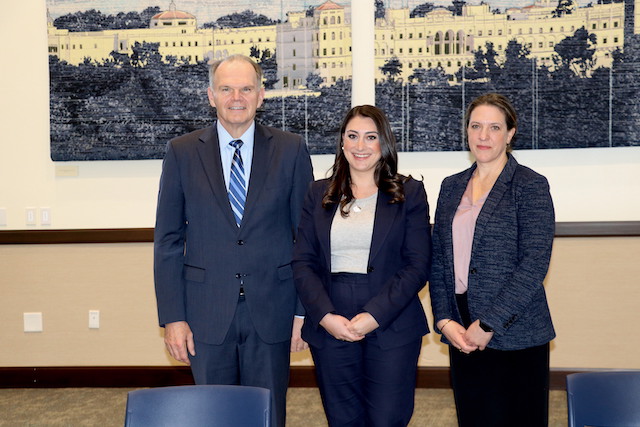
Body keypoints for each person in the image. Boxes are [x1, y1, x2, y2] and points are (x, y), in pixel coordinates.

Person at [153, 54, 313, 427]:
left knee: (268, 416)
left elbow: (305, 239)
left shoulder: (291, 150)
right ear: (211, 95)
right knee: (212, 416)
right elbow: (168, 241)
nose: (236, 97)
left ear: (261, 96)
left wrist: (303, 312)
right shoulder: (181, 152)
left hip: (273, 311)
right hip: (205, 314)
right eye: (226, 89)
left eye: (246, 88)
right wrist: (173, 318)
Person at [292, 105, 432, 427]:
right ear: (342, 142)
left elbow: (417, 265)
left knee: (387, 418)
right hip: (331, 321)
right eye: (352, 136)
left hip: (391, 319)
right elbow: (303, 262)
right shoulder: (318, 193)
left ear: (384, 143)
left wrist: (374, 316)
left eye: (370, 137)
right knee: (343, 419)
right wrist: (325, 317)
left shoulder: (409, 192)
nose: (360, 145)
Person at [429, 93, 556, 426]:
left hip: (514, 331)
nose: (483, 136)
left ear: (510, 133)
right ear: (467, 131)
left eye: (494, 127)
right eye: (476, 126)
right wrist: (444, 320)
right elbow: (439, 259)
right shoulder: (450, 186)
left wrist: (489, 324)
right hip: (461, 327)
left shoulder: (530, 185)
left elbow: (534, 263)